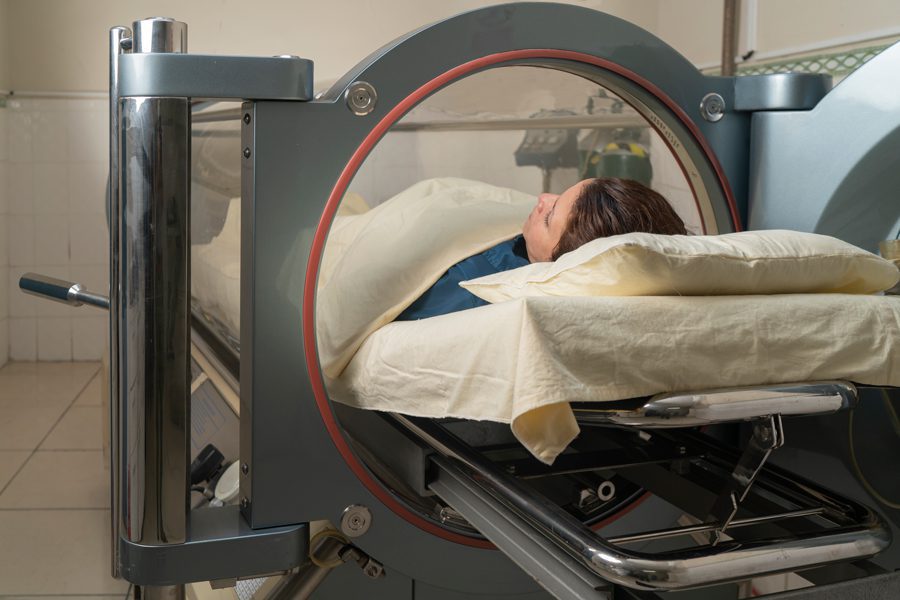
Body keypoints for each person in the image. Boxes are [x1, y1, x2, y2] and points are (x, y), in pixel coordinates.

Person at [396, 177, 687, 320]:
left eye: (549, 217)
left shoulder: (472, 290)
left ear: (558, 261)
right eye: (560, 194)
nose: (543, 197)